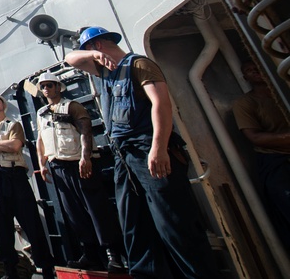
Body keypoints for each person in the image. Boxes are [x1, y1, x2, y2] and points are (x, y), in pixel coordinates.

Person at [65, 26, 219, 279]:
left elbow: (161, 104)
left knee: (174, 225)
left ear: (98, 45)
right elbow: (70, 59)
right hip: (123, 158)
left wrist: (158, 148)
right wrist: (92, 57)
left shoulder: (139, 65)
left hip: (149, 151)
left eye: (89, 49)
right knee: (134, 227)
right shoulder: (104, 71)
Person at [33, 71, 125, 272]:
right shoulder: (41, 113)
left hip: (79, 165)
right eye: (43, 86)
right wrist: (42, 164)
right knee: (74, 214)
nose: (47, 89)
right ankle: (90, 254)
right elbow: (41, 139)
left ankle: (113, 254)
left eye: (50, 85)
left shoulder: (73, 107)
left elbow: (86, 131)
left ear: (58, 87)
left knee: (97, 209)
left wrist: (85, 157)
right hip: (58, 167)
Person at [0, 92, 56, 279]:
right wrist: (3, 144)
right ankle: (9, 269)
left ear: (3, 104)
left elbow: (15, 146)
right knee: (1, 226)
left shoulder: (14, 125)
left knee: (31, 221)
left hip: (16, 176)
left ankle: (45, 266)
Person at [231, 60, 290, 252]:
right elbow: (255, 137)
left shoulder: (284, 91)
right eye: (249, 69)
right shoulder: (245, 103)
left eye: (257, 67)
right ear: (245, 77)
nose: (255, 71)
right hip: (278, 163)